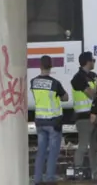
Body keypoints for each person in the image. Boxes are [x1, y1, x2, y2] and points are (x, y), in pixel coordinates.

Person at [31, 55, 68, 185]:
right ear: (51, 66)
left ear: (39, 66)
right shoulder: (55, 83)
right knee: (53, 152)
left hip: (40, 121)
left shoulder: (33, 82)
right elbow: (65, 98)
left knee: (41, 151)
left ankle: (37, 179)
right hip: (53, 122)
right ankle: (50, 179)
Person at [71, 51, 97, 179]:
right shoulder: (77, 78)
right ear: (88, 62)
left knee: (94, 148)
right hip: (83, 118)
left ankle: (96, 173)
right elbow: (92, 94)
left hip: (95, 116)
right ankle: (77, 171)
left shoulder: (93, 76)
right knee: (83, 146)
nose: (94, 62)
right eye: (93, 60)